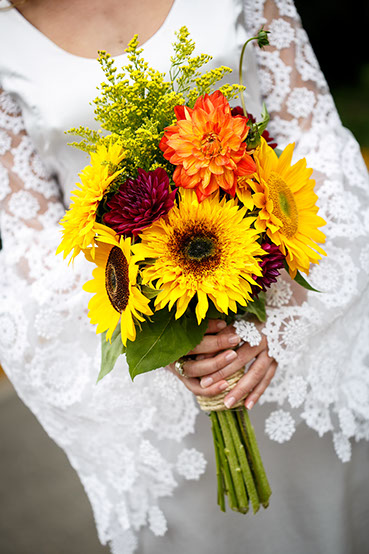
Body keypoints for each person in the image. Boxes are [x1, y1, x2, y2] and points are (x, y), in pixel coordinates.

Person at [1, 1, 369, 553]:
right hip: (152, 369)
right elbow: (30, 245)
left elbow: (314, 141)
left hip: (293, 319)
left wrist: (284, 321)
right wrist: (170, 339)